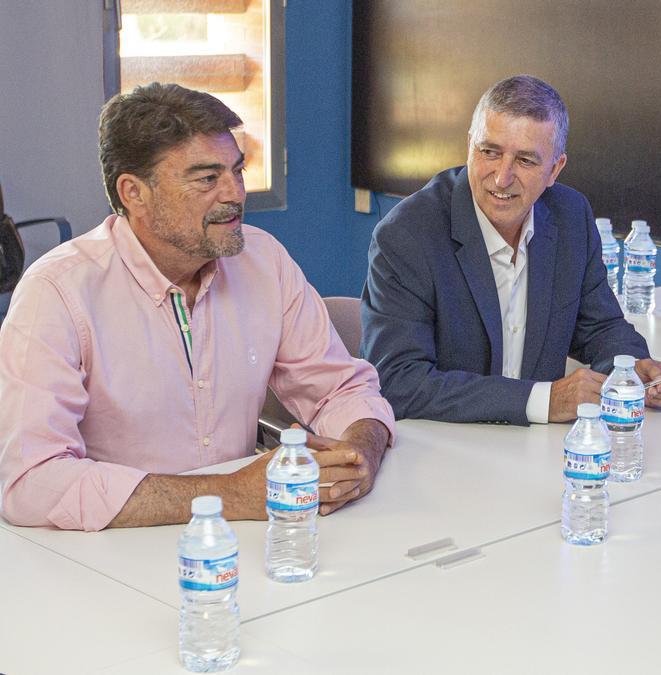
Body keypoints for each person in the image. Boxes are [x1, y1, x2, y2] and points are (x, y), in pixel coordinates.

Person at [0, 83, 395, 531]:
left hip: (241, 541)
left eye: (237, 171)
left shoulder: (264, 261)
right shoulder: (57, 291)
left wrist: (360, 450)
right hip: (108, 552)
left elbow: (339, 389)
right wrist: (228, 495)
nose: (235, 194)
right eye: (207, 178)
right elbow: (31, 482)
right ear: (134, 193)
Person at [362, 75, 661, 425]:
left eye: (525, 161)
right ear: (469, 145)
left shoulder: (570, 217)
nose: (501, 178)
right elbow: (398, 381)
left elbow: (599, 327)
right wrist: (544, 400)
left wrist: (631, 368)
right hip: (440, 452)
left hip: (539, 452)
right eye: (489, 152)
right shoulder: (408, 235)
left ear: (555, 169)